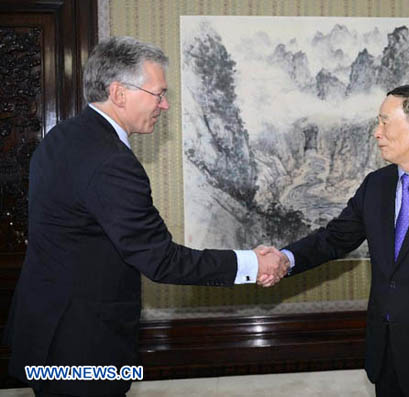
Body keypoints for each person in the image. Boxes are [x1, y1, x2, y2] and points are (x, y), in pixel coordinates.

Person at [3, 36, 288, 397]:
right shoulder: (110, 161)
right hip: (82, 346)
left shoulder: (62, 137)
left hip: (48, 331)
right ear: (120, 93)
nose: (165, 105)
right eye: (159, 93)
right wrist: (251, 263)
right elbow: (161, 260)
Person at [259, 84, 409, 397]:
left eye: (384, 121)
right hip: (387, 356)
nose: (377, 132)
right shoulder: (376, 185)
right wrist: (285, 258)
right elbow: (334, 238)